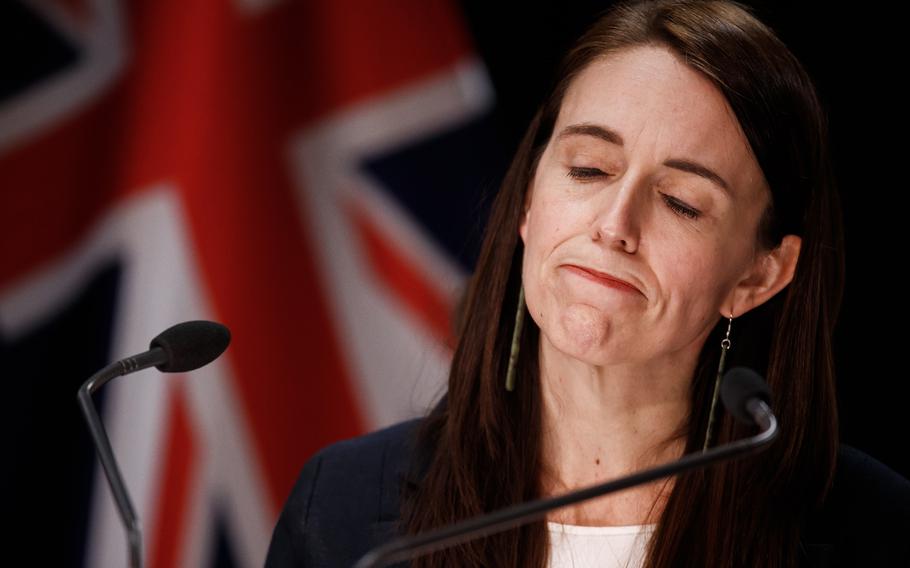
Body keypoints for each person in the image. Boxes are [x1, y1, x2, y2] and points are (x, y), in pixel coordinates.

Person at [265, 1, 910, 566]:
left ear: (757, 275)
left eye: (681, 202)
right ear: (527, 200)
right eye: (588, 168)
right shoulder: (340, 510)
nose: (614, 225)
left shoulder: (878, 530)